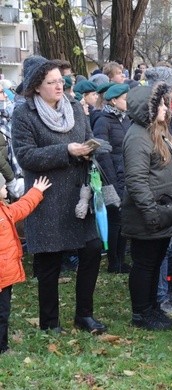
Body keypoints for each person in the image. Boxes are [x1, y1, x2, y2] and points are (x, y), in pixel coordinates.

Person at [12, 57, 107, 334]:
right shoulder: (24, 114)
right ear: (36, 87)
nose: (59, 86)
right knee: (49, 261)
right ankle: (50, 322)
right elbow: (26, 156)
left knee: (90, 251)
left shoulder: (75, 107)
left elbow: (87, 136)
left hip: (79, 195)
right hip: (47, 195)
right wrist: (66, 151)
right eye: (51, 82)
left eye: (61, 81)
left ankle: (84, 315)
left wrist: (90, 149)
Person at [122, 82, 172, 330]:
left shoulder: (158, 131)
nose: (165, 107)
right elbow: (136, 180)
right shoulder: (138, 136)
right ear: (147, 108)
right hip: (148, 214)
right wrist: (151, 213)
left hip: (163, 212)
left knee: (156, 259)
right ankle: (141, 312)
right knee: (145, 263)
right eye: (160, 103)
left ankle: (152, 307)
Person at [0, 175, 52, 353]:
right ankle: (2, 348)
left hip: (5, 276)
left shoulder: (4, 211)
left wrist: (36, 191)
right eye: (3, 186)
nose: (6, 189)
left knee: (3, 312)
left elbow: (22, 207)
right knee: (1, 313)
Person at [92, 83, 132, 274]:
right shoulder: (103, 120)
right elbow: (102, 154)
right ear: (114, 101)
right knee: (115, 220)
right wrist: (112, 182)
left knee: (124, 220)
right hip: (112, 178)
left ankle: (121, 259)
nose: (128, 102)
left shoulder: (126, 120)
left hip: (126, 175)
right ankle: (113, 262)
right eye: (125, 99)